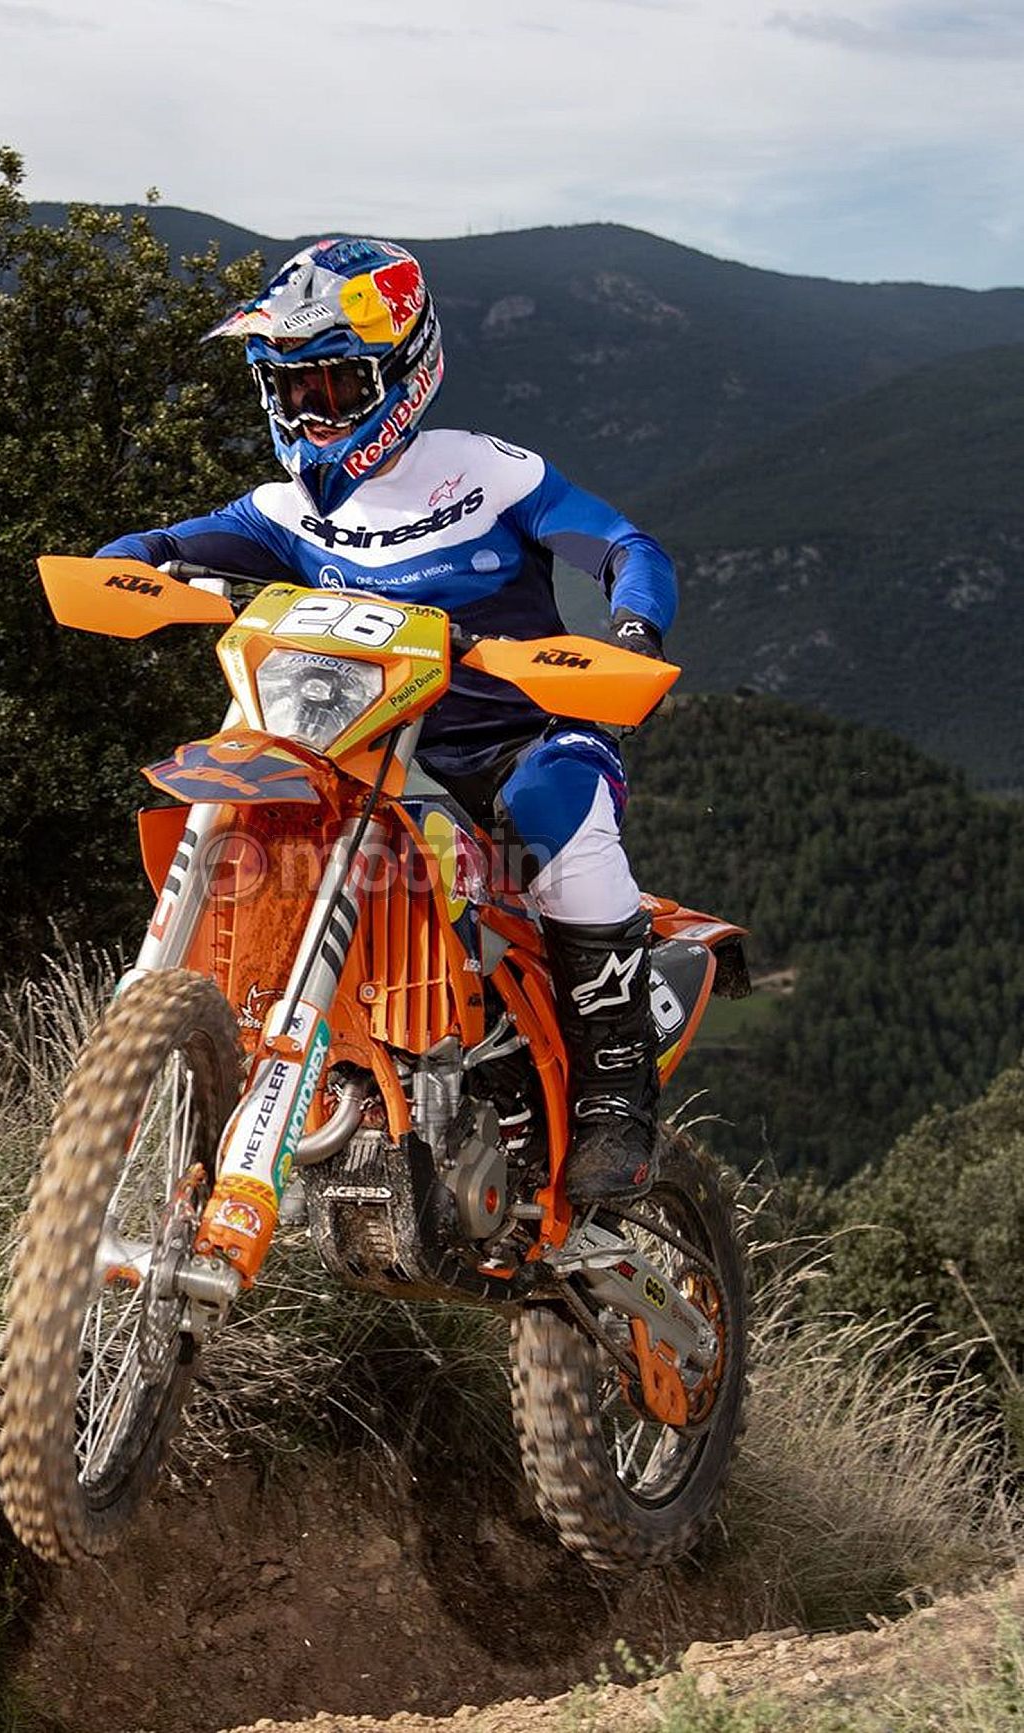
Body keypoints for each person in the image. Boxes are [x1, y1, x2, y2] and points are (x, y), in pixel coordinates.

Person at [96, 237, 676, 1203]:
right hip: (369, 747)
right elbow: (163, 544)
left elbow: (623, 543)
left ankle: (616, 1090)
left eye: (332, 386)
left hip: (518, 739)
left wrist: (634, 627)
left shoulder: (484, 472)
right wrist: (121, 565)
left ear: (399, 373)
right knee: (269, 813)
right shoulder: (283, 509)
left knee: (554, 803)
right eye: (289, 389)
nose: (309, 413)